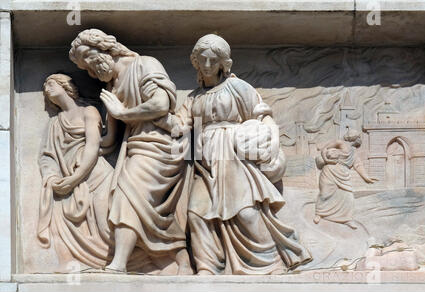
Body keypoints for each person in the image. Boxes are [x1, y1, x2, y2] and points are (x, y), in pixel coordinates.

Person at [156, 34, 312, 275]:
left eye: (213, 60)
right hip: (203, 163)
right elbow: (180, 125)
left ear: (223, 63)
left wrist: (263, 141)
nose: (207, 66)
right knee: (196, 213)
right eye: (202, 60)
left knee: (246, 213)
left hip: (234, 158)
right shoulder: (193, 98)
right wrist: (151, 111)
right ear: (196, 62)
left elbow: (261, 117)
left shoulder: (238, 87)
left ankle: (271, 264)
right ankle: (207, 266)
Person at [69, 29, 192, 274]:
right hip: (136, 147)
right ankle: (184, 263)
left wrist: (123, 113)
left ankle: (119, 265)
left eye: (89, 59)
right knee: (145, 209)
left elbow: (160, 104)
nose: (91, 70)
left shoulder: (145, 64)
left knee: (127, 196)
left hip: (161, 145)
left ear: (104, 48)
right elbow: (110, 139)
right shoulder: (112, 88)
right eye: (85, 68)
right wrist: (78, 146)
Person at [38, 73, 113, 271]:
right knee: (58, 211)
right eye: (45, 86)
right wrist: (52, 177)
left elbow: (93, 145)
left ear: (66, 87)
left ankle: (124, 259)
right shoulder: (55, 123)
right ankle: (69, 262)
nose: (47, 88)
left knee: (106, 222)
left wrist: (76, 178)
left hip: (95, 174)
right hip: (67, 179)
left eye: (51, 83)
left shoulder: (88, 111)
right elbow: (47, 156)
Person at [314, 129, 377, 229]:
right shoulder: (340, 143)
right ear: (354, 137)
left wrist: (366, 178)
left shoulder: (354, 153)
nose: (359, 140)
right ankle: (319, 214)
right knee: (325, 193)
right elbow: (324, 149)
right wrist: (327, 160)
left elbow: (358, 165)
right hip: (330, 170)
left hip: (343, 174)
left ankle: (347, 219)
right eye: (358, 137)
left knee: (348, 197)